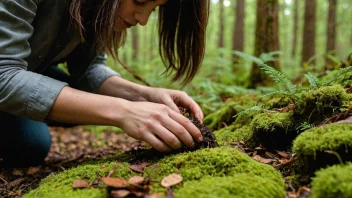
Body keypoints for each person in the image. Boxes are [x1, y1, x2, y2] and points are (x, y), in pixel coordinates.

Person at [0, 0, 209, 167]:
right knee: (31, 145)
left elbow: (89, 69)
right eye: (139, 1)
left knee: (32, 143)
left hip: (27, 71)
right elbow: (4, 75)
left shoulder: (94, 8)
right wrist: (123, 111)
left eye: (153, 9)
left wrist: (144, 96)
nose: (143, 20)